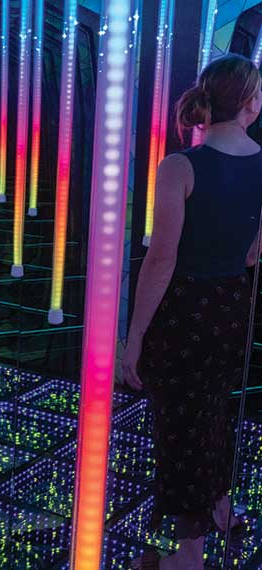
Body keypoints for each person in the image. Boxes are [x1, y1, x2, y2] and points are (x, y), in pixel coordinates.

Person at [121, 54, 262, 570]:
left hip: (185, 311)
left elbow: (162, 259)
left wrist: (134, 336)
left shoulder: (180, 166)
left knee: (181, 423)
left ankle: (188, 553)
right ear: (250, 104)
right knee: (213, 411)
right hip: (231, 307)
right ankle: (220, 506)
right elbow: (253, 253)